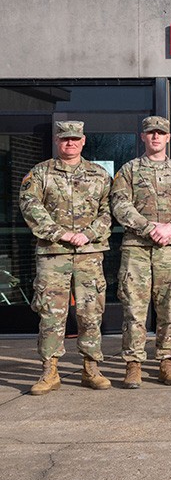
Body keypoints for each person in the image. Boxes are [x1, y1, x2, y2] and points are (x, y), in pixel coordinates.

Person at [20, 121, 113, 395]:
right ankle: (49, 371)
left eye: (74, 139)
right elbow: (30, 205)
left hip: (89, 253)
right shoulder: (40, 173)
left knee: (90, 312)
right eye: (65, 139)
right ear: (56, 140)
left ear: (83, 141)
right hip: (53, 253)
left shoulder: (99, 174)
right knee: (51, 312)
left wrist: (89, 233)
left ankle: (91, 368)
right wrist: (60, 233)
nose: (70, 143)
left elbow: (109, 211)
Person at [110, 116, 171, 388]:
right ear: (143, 137)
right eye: (151, 133)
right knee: (134, 310)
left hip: (170, 250)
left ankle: (167, 362)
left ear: (169, 138)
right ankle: (133, 365)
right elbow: (120, 205)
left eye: (161, 133)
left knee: (170, 309)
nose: (156, 137)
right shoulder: (129, 170)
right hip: (137, 249)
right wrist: (149, 228)